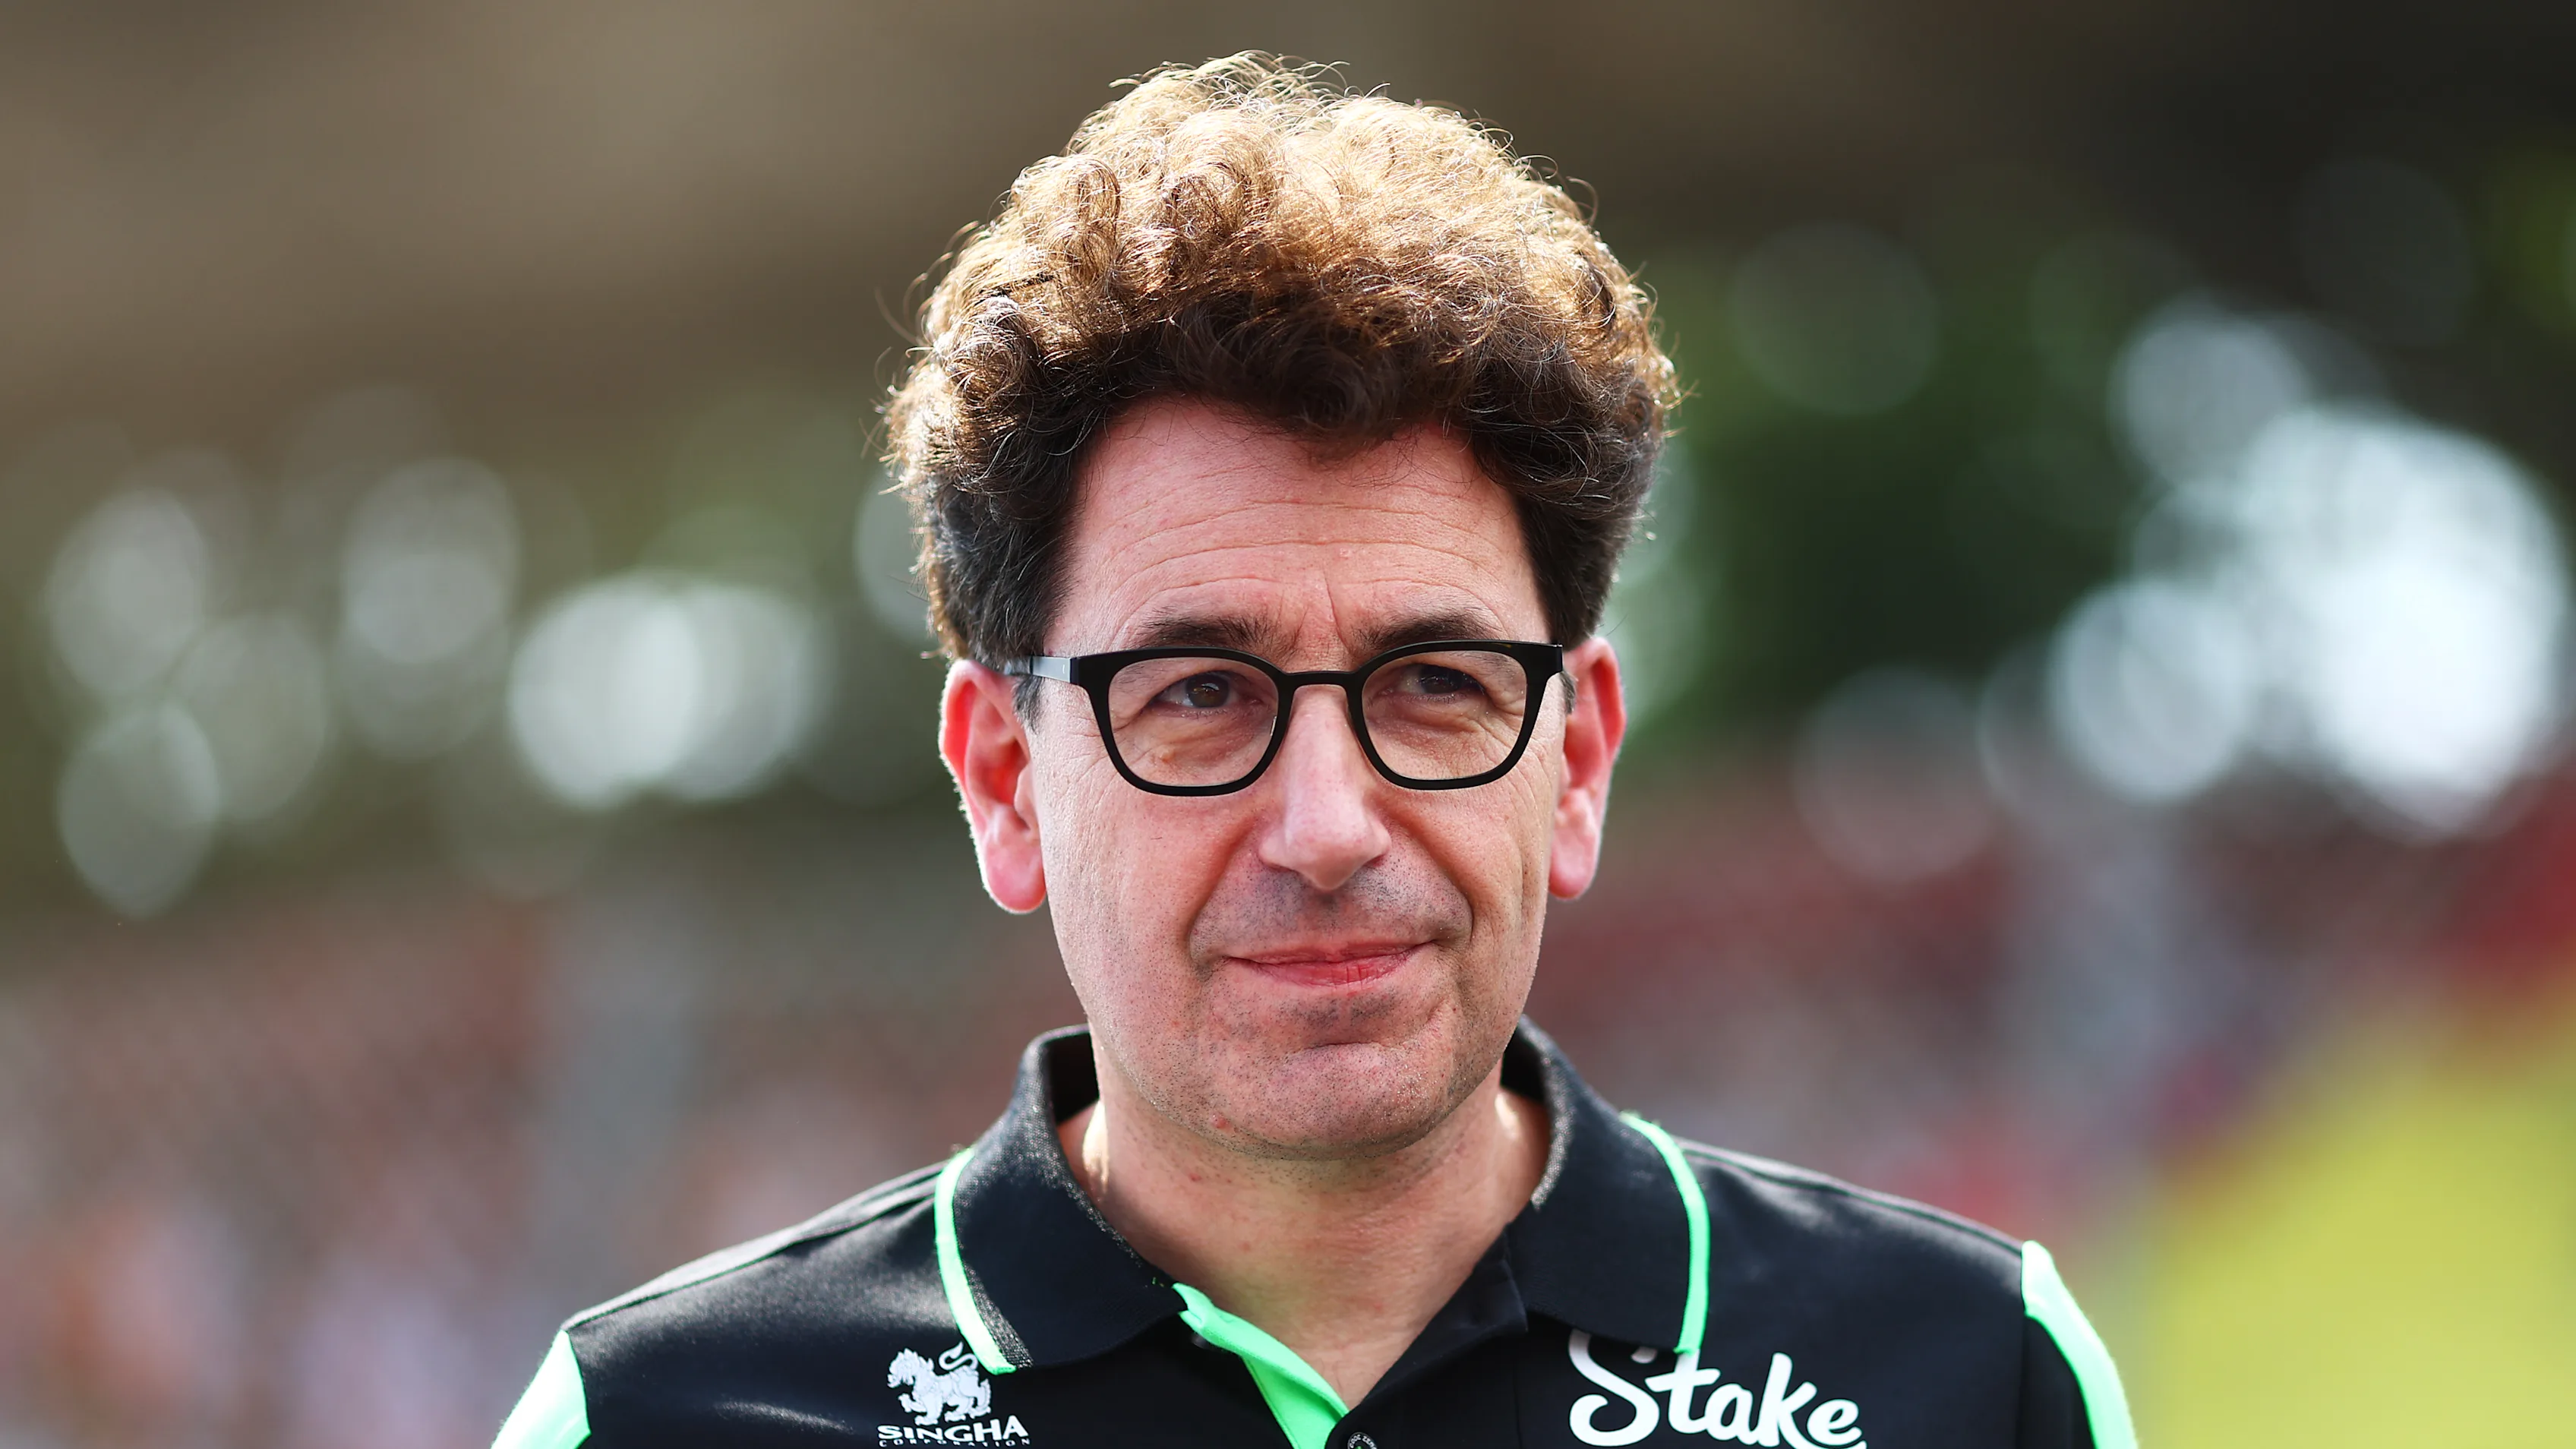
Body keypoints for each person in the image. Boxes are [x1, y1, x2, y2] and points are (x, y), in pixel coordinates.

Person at [494, 54, 2134, 1449]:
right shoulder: (655, 1418)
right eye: (1199, 693)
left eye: (1433, 682)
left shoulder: (1964, 1376)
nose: (1330, 824)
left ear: (1571, 762)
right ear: (1005, 779)